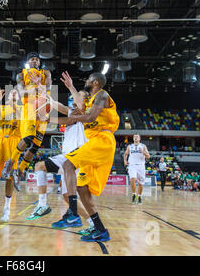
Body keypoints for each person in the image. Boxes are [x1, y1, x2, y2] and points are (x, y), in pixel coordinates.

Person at [59, 71, 120, 242]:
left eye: (87, 79)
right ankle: (100, 229)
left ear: (94, 82)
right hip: (94, 141)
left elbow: (91, 116)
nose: (85, 81)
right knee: (82, 188)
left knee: (67, 164)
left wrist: (74, 117)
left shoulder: (102, 95)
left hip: (103, 139)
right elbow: (80, 105)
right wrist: (70, 86)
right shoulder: (90, 100)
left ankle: (72, 212)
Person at [25, 90, 96, 236]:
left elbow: (68, 116)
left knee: (39, 166)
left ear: (86, 99)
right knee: (67, 197)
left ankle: (43, 204)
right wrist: (47, 100)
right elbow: (64, 112)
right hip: (68, 157)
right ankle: (93, 223)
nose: (73, 99)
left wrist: (50, 110)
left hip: (77, 156)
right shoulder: (73, 113)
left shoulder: (86, 112)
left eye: (78, 96)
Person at [1, 52, 52, 189]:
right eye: (32, 59)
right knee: (28, 138)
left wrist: (37, 87)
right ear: (28, 62)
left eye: (37, 59)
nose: (34, 61)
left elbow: (48, 88)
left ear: (39, 63)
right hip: (28, 106)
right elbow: (21, 92)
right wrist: (36, 87)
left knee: (35, 146)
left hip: (42, 107)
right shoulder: (20, 75)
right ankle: (10, 163)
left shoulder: (46, 73)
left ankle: (20, 171)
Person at [0, 89, 22, 222]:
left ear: (18, 97)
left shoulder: (22, 109)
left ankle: (7, 208)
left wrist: (12, 105)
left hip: (14, 142)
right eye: (11, 92)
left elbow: (21, 119)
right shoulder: (1, 107)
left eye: (15, 92)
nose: (13, 93)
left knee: (10, 176)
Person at [124, 133, 150, 203]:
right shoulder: (130, 146)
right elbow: (125, 154)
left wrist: (143, 152)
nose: (135, 138)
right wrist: (125, 160)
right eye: (134, 137)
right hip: (132, 165)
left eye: (137, 137)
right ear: (133, 138)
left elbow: (148, 156)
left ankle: (139, 196)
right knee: (132, 179)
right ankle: (134, 194)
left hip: (141, 166)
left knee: (141, 184)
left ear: (139, 138)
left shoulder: (143, 146)